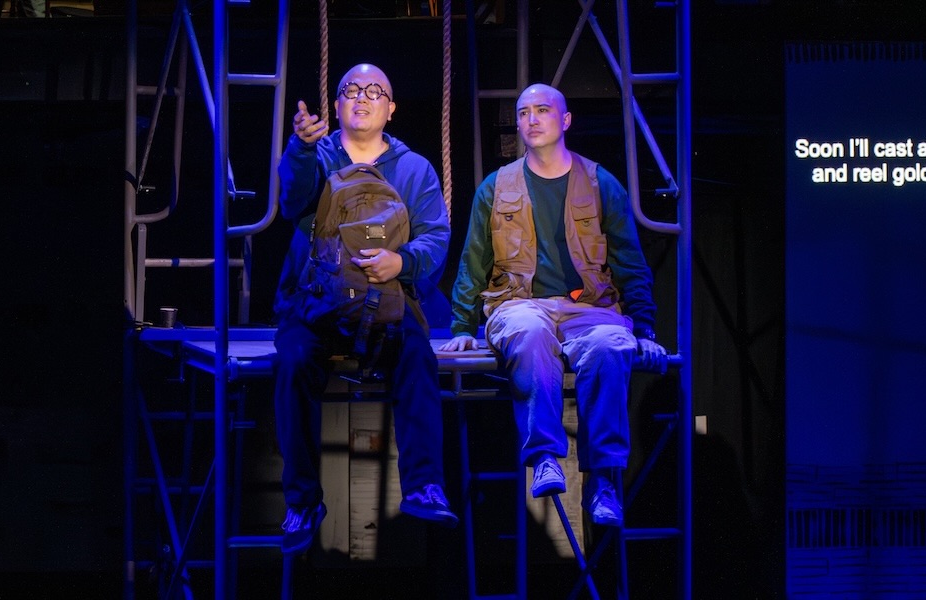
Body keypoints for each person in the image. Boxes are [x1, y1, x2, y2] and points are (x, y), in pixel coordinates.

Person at [439, 83, 666, 527]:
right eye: (524, 113)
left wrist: (644, 327)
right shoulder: (496, 186)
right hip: (520, 304)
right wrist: (462, 327)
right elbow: (473, 261)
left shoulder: (601, 183)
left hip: (590, 308)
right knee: (529, 331)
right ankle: (545, 455)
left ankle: (602, 480)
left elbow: (628, 260)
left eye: (543, 110)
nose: (532, 119)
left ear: (564, 120)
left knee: (607, 347)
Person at [272, 64, 456, 554]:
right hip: (318, 298)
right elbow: (292, 202)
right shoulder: (320, 153)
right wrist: (301, 148)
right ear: (336, 106)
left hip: (387, 299)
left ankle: (423, 484)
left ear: (391, 108)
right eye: (350, 90)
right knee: (292, 363)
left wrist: (402, 261)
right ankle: (303, 501)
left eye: (376, 91)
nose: (362, 97)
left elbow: (436, 236)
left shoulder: (413, 168)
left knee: (417, 356)